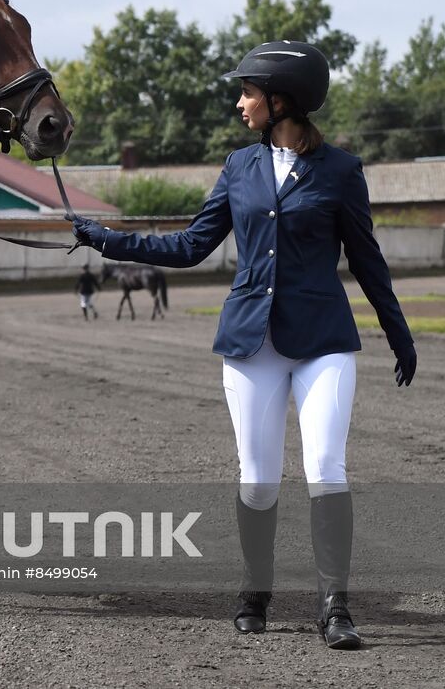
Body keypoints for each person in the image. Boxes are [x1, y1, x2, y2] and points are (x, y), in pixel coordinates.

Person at [70, 40, 417, 650]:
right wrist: (107, 240)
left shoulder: (341, 170)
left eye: (248, 94)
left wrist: (398, 332)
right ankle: (255, 589)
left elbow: (368, 260)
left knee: (325, 469)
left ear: (281, 100)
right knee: (257, 480)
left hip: (323, 343)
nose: (240, 104)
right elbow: (189, 246)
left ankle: (335, 605)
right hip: (251, 342)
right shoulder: (239, 169)